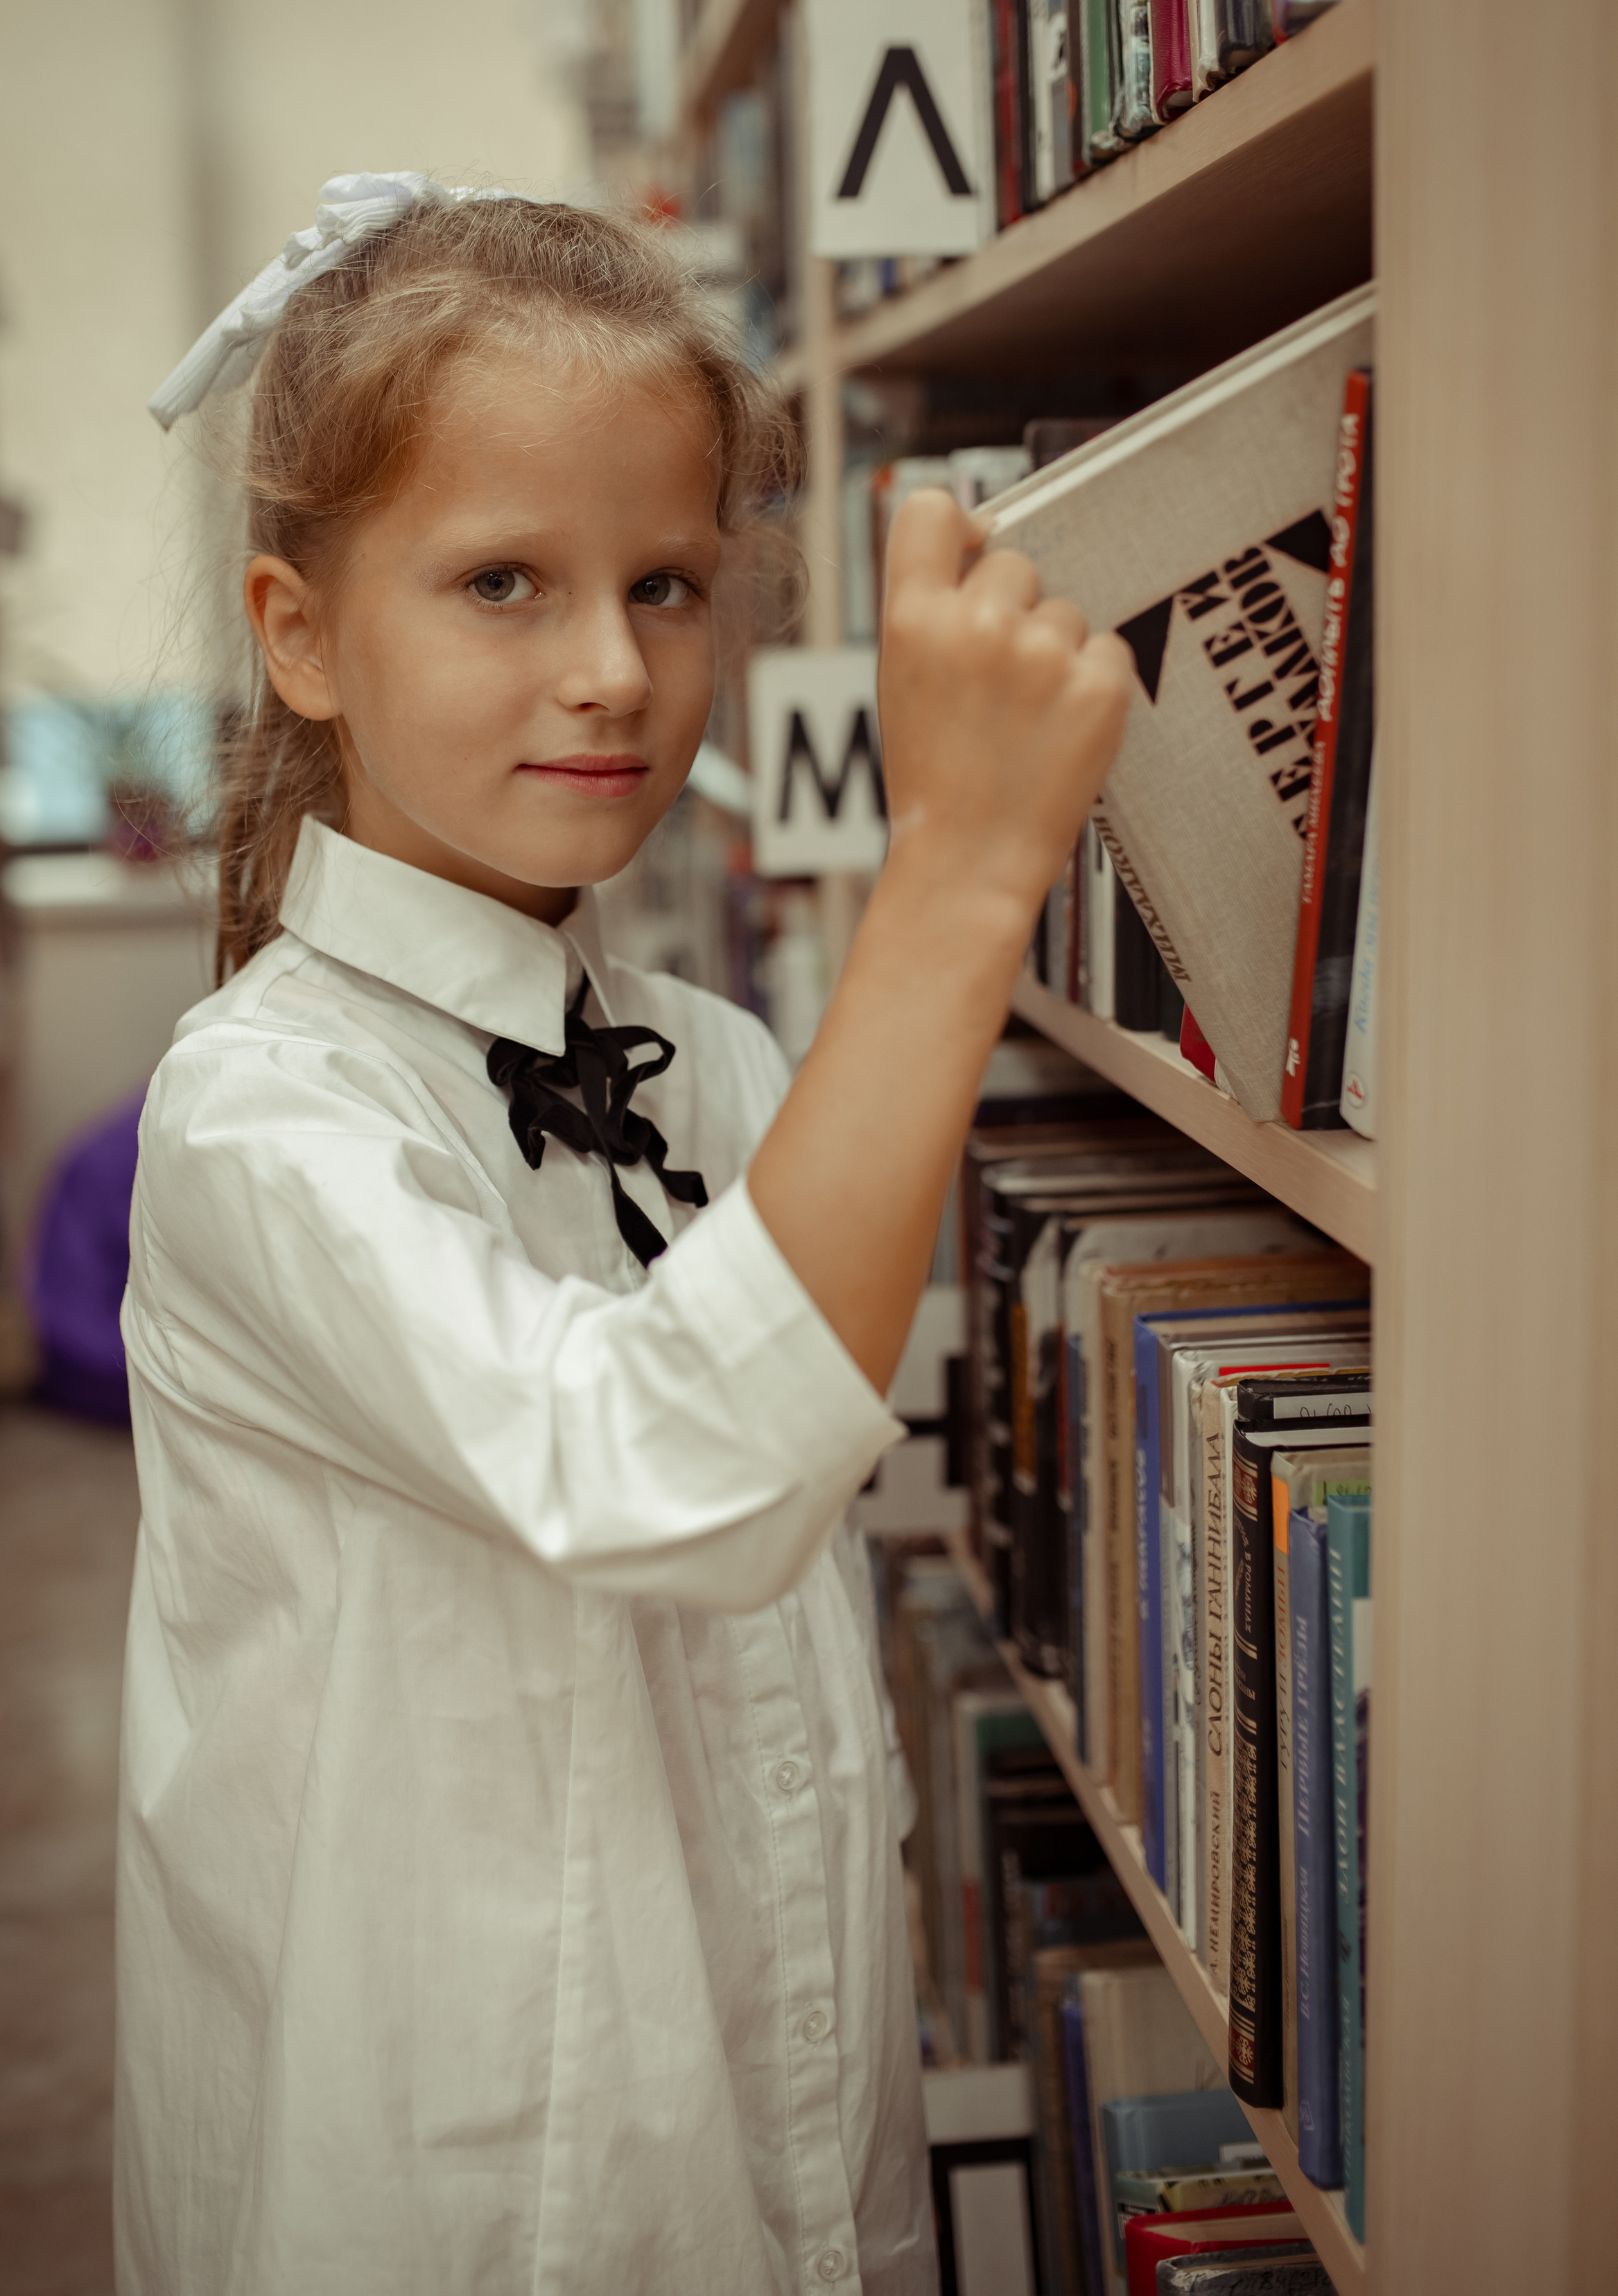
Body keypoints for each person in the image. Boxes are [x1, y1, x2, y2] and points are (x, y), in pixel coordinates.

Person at [114, 175, 1131, 2296]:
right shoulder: (258, 1114)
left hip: (757, 2100)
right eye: (503, 581)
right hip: (457, 2171)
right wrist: (952, 885)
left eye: (667, 583)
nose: (608, 670)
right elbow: (654, 1471)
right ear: (298, 630)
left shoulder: (726, 1061)